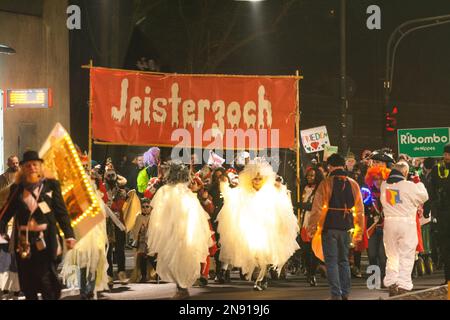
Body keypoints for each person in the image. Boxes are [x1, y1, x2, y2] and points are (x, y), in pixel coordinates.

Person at [0, 151, 76, 300]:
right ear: (23, 168)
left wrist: (69, 234)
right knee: (28, 285)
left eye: (35, 164)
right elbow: (5, 213)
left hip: (47, 240)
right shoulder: (17, 189)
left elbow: (62, 213)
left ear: (40, 166)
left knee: (47, 282)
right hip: (24, 242)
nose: (32, 167)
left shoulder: (52, 185)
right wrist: (2, 231)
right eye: (28, 165)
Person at [217, 158, 299, 291]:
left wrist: (281, 191)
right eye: (254, 178)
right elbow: (230, 198)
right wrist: (224, 185)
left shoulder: (271, 192)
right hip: (251, 230)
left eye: (259, 178)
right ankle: (260, 277)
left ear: (265, 179)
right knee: (254, 255)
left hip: (268, 231)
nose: (256, 181)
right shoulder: (243, 192)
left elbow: (283, 207)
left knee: (264, 255)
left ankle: (262, 279)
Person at [147, 161, 212, 299]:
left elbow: (191, 213)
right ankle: (181, 286)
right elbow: (159, 210)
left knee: (179, 258)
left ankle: (182, 287)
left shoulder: (182, 192)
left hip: (181, 232)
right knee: (173, 259)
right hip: (172, 232)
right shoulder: (169, 191)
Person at [307, 153, 364, 300]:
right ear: (343, 165)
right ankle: (345, 293)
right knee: (344, 260)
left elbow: (317, 208)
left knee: (331, 261)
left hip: (329, 226)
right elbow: (360, 210)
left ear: (330, 166)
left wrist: (311, 227)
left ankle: (336, 294)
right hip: (346, 227)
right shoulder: (353, 183)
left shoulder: (326, 183)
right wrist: (359, 230)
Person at [380, 161, 429, 296]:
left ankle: (391, 282)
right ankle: (404, 285)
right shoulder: (409, 186)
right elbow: (424, 196)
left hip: (390, 223)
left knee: (392, 255)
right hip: (406, 223)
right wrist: (418, 182)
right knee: (406, 255)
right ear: (405, 172)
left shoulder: (384, 185)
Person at [364, 166, 391, 283]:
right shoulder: (368, 195)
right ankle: (374, 279)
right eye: (375, 179)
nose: (378, 182)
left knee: (382, 256)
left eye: (380, 179)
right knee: (371, 254)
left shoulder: (390, 193)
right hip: (372, 229)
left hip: (387, 229)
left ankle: (384, 279)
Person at [299, 167, 324, 286]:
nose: (309, 177)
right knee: (305, 250)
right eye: (308, 175)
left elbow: (316, 206)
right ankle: (309, 271)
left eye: (312, 176)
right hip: (304, 222)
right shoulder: (303, 188)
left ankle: (312, 273)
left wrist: (302, 205)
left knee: (314, 251)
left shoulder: (321, 189)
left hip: (316, 222)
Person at [430, 143, 450, 284]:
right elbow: (431, 190)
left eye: (448, 154)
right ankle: (448, 278)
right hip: (443, 212)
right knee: (445, 246)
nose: (446, 156)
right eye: (445, 154)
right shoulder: (437, 169)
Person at [130, 198, 155, 283]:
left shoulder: (154, 217)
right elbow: (135, 230)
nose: (145, 208)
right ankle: (143, 276)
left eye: (147, 206)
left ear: (150, 207)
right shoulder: (139, 217)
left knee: (152, 258)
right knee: (142, 259)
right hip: (141, 242)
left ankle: (158, 274)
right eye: (143, 207)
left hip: (151, 241)